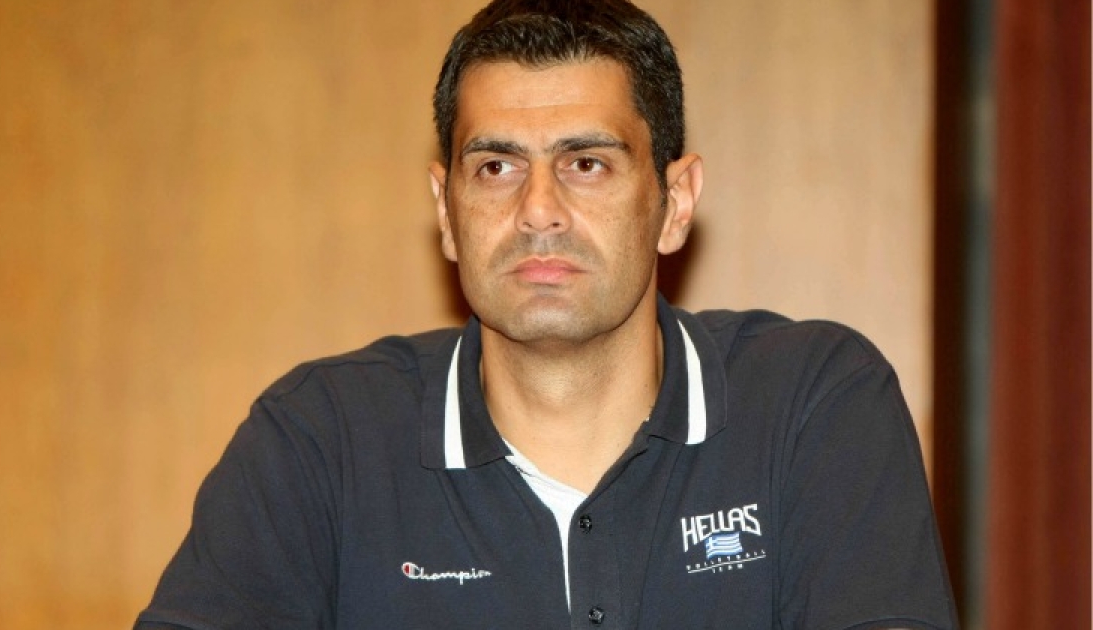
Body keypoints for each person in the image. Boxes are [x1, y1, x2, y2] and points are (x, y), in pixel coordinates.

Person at [135, 1, 958, 628]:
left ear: (674, 203)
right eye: (495, 167)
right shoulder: (322, 439)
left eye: (586, 163)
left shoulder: (812, 404)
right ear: (446, 210)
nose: (538, 211)